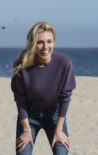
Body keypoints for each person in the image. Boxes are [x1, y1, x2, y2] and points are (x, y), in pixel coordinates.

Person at [11, 22, 76, 155]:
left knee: (62, 152)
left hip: (54, 114)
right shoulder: (22, 67)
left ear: (54, 42)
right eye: (40, 42)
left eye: (49, 41)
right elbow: (20, 101)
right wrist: (26, 130)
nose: (45, 47)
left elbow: (65, 98)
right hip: (29, 115)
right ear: (32, 43)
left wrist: (59, 131)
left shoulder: (64, 63)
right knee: (23, 152)